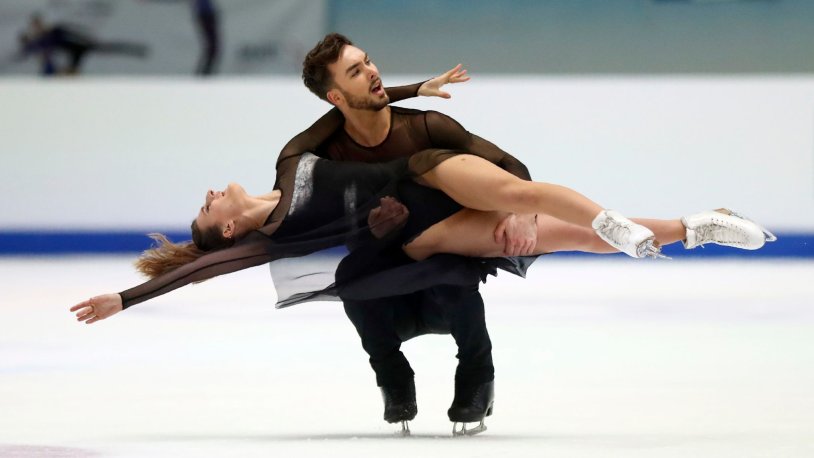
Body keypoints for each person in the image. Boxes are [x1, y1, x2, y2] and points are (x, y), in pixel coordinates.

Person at [70, 43, 774, 436]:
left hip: (426, 173)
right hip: (417, 227)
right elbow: (203, 271)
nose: (207, 193)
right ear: (226, 225)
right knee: (553, 236)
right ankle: (690, 226)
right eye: (206, 210)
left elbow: (362, 102)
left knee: (523, 202)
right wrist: (126, 299)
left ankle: (654, 222)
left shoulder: (291, 161)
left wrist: (413, 87)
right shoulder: (271, 230)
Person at [17, 14, 148, 76]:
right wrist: (27, 43)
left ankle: (137, 50)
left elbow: (74, 32)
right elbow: (33, 47)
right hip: (75, 52)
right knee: (68, 74)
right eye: (35, 26)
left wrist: (88, 39)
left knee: (109, 48)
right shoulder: (42, 40)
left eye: (39, 24)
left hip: (81, 46)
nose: (38, 28)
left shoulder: (55, 30)